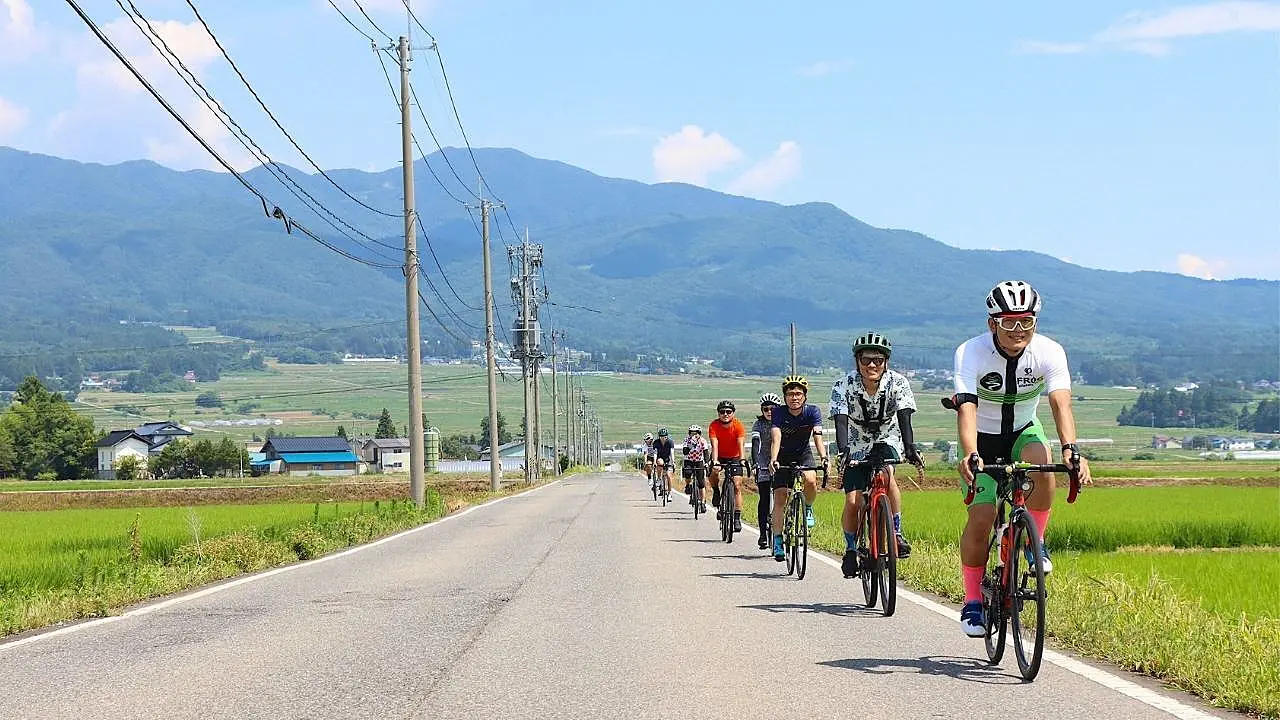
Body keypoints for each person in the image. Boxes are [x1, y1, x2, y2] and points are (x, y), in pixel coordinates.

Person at [953, 280, 1092, 637]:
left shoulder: (1049, 351)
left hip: (1022, 431)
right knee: (982, 517)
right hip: (982, 438)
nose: (1018, 330)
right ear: (992, 324)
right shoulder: (971, 352)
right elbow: (966, 408)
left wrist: (1071, 449)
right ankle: (971, 601)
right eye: (1009, 322)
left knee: (1043, 464)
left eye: (1026, 322)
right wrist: (970, 454)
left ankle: (1034, 543)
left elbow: (1060, 402)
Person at [829, 332, 921, 578]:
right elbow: (840, 420)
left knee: (887, 475)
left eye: (878, 360)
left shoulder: (898, 383)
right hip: (856, 441)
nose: (872, 365)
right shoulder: (843, 385)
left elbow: (904, 415)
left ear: (886, 362)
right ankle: (850, 549)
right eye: (866, 360)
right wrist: (843, 450)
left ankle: (896, 533)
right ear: (857, 361)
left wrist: (910, 448)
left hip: (886, 437)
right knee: (853, 501)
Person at [767, 375, 828, 561]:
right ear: (785, 397)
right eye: (790, 394)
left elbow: (817, 436)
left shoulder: (813, 412)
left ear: (805, 396)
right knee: (780, 497)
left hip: (803, 453)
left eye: (798, 394)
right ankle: (777, 540)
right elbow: (776, 437)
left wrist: (824, 457)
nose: (794, 397)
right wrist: (774, 459)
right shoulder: (778, 413)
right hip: (782, 454)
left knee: (810, 480)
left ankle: (807, 507)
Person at [706, 399, 747, 532]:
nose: (725, 414)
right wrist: (716, 461)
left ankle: (736, 517)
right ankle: (716, 492)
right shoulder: (714, 425)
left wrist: (742, 459)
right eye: (722, 412)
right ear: (718, 413)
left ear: (733, 413)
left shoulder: (738, 425)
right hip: (720, 455)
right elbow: (714, 444)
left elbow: (741, 443)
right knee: (714, 472)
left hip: (735, 456)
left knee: (736, 485)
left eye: (728, 412)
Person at [751, 392, 783, 549]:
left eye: (773, 409)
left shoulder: (784, 421)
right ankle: (763, 534)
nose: (769, 412)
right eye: (765, 409)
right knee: (764, 498)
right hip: (763, 461)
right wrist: (756, 463)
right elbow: (755, 443)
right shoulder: (758, 425)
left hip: (781, 460)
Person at [681, 424, 709, 510]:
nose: (694, 435)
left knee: (701, 483)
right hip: (689, 460)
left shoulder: (703, 441)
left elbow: (706, 453)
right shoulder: (686, 440)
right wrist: (691, 445)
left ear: (699, 434)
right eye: (692, 433)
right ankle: (688, 485)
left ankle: (703, 502)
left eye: (696, 433)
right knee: (688, 473)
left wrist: (706, 463)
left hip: (699, 461)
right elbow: (685, 452)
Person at [652, 427, 675, 497]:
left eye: (664, 437)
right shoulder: (656, 442)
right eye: (661, 437)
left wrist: (673, 462)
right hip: (660, 458)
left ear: (667, 436)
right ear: (659, 437)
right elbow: (655, 453)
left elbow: (672, 453)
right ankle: (659, 479)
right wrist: (654, 462)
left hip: (668, 459)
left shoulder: (670, 442)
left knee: (668, 476)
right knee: (659, 462)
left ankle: (670, 493)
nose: (663, 438)